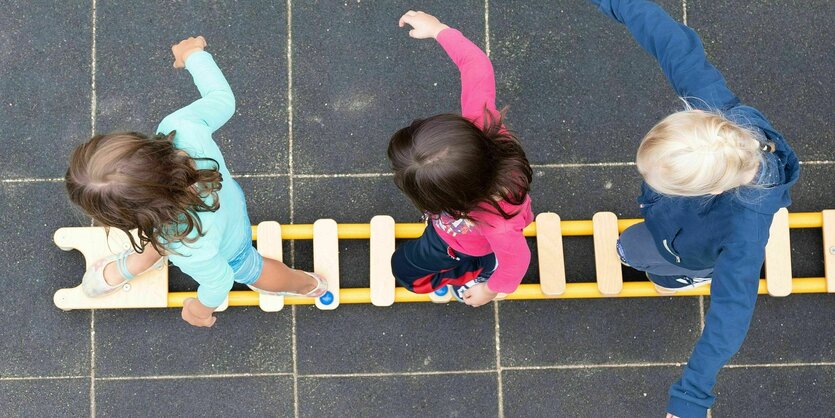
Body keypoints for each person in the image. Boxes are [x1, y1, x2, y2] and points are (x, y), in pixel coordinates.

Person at [589, 1, 800, 416]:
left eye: (656, 181)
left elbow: (731, 314)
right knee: (630, 248)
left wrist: (690, 396)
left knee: (641, 255)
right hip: (674, 222)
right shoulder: (712, 113)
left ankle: (691, 274)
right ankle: (673, 257)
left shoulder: (745, 230)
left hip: (695, 245)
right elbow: (673, 43)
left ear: (708, 189)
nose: (645, 183)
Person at [65, 36, 327, 327]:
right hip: (223, 199)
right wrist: (194, 55)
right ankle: (140, 261)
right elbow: (221, 99)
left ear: (127, 218)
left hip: (225, 243)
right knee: (168, 236)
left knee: (249, 268)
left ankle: (306, 284)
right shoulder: (180, 128)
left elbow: (221, 281)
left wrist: (201, 309)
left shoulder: (185, 243)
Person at [388, 11, 534, 307]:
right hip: (458, 229)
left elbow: (517, 263)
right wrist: (440, 30)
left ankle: (476, 272)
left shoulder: (497, 226)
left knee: (403, 269)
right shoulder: (480, 123)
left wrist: (489, 290)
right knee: (406, 260)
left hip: (463, 246)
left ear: (452, 200)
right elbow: (475, 65)